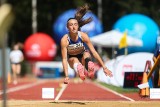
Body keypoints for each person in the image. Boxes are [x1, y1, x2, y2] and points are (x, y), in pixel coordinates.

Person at [60, 4, 113, 84]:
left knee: (86, 54)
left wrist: (104, 67)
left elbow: (94, 52)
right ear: (67, 27)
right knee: (74, 59)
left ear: (78, 26)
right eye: (71, 25)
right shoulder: (65, 40)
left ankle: (89, 68)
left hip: (83, 56)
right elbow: (64, 59)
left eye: (75, 24)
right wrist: (66, 76)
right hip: (72, 59)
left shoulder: (83, 36)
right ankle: (79, 69)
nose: (73, 27)